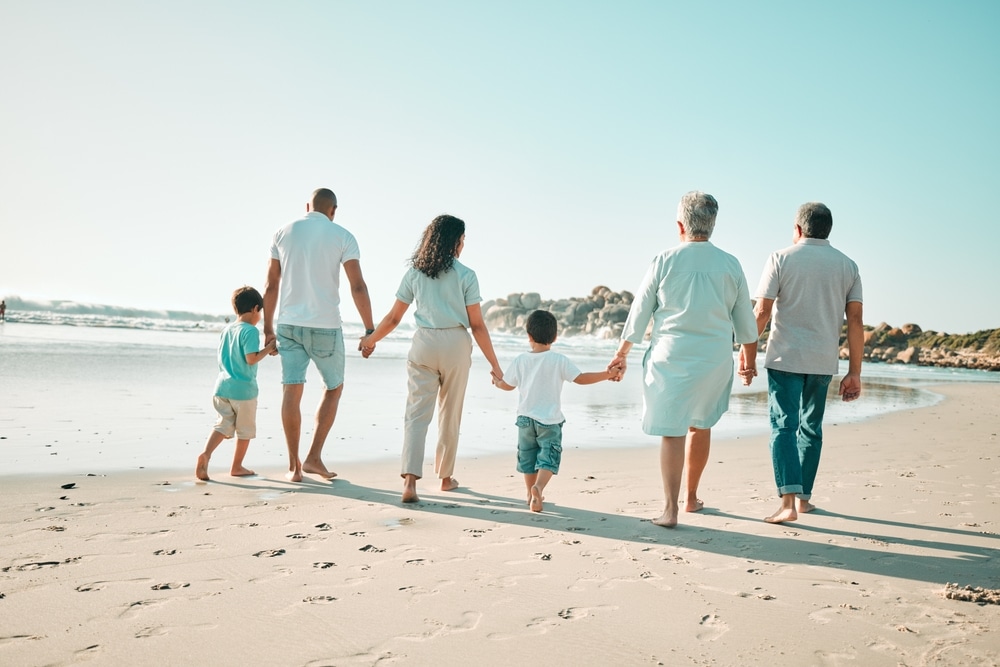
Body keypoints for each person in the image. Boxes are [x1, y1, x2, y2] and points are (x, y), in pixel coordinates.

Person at [609, 191, 759, 528]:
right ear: (713, 224)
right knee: (700, 424)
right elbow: (745, 324)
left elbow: (639, 313)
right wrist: (748, 361)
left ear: (680, 225)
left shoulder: (664, 260)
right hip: (713, 360)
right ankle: (691, 498)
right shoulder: (730, 263)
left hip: (670, 358)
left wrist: (621, 355)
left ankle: (670, 509)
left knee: (672, 430)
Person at [360, 214, 503, 503]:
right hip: (455, 344)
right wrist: (495, 365)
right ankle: (446, 478)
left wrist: (370, 340)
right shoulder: (466, 275)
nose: (463, 245)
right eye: (462, 240)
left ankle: (410, 482)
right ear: (456, 242)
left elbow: (393, 318)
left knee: (416, 414)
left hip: (424, 343)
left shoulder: (415, 273)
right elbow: (477, 325)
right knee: (450, 414)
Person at [740, 202, 863, 524]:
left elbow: (762, 312)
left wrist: (747, 356)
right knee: (811, 428)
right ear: (828, 230)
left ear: (797, 229)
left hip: (785, 358)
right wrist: (855, 373)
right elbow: (856, 322)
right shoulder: (848, 265)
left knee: (783, 426)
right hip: (822, 362)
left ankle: (788, 503)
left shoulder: (781, 258)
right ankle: (804, 499)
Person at [263, 188, 375, 482]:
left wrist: (267, 328)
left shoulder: (282, 233)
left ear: (307, 206)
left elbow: (271, 285)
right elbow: (358, 286)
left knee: (291, 390)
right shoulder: (343, 236)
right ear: (333, 210)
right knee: (334, 387)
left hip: (288, 324)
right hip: (326, 326)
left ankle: (294, 467)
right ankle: (313, 457)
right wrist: (369, 329)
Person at [492, 310, 621, 513]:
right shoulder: (559, 360)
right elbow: (580, 378)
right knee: (547, 458)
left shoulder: (520, 360)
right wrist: (607, 375)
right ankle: (539, 488)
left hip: (525, 419)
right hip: (549, 421)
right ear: (554, 337)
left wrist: (497, 382)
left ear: (529, 336)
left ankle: (529, 494)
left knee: (528, 457)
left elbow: (507, 385)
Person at [196, 286, 276, 481]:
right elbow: (251, 358)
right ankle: (237, 466)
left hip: (222, 387)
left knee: (222, 425)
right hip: (243, 391)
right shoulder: (250, 331)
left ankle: (206, 454)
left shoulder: (227, 330)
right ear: (256, 309)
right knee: (245, 430)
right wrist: (269, 349)